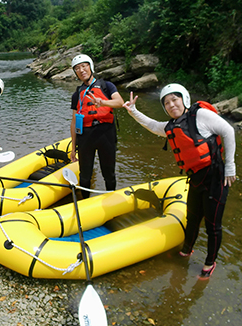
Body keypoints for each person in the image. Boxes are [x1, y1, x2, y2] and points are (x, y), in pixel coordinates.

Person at [123, 83, 236, 279]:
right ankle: (187, 249)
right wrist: (133, 111)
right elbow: (151, 125)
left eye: (175, 99)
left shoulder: (200, 116)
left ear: (184, 99)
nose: (171, 105)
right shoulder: (170, 127)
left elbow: (228, 131)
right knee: (191, 218)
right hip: (195, 179)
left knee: (212, 225)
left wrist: (231, 167)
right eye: (166, 103)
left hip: (216, 178)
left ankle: (210, 262)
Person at [70, 54, 124, 198]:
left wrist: (103, 102)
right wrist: (73, 148)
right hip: (85, 136)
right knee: (85, 175)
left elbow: (120, 102)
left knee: (109, 173)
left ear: (90, 67)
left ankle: (111, 200)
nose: (81, 70)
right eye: (77, 68)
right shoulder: (77, 94)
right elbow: (74, 121)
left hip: (106, 133)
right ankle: (85, 203)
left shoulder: (107, 86)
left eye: (84, 66)